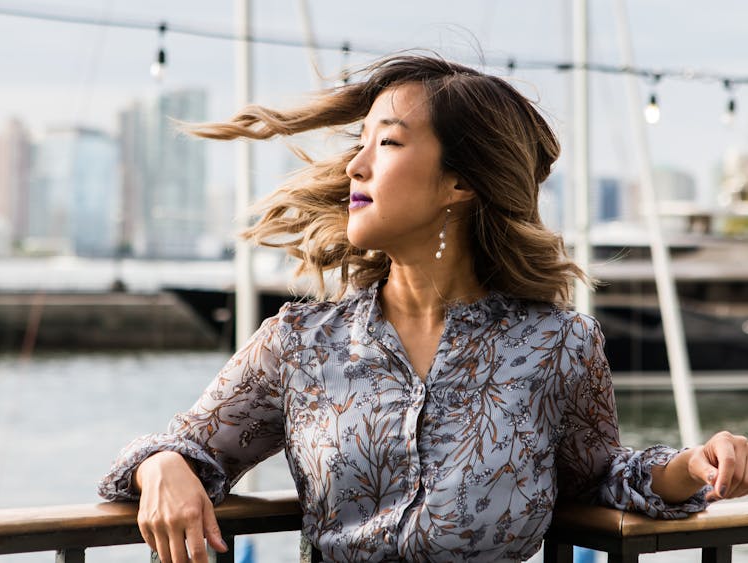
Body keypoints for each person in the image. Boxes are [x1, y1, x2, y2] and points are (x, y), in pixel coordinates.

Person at [99, 53, 748, 563]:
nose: (354, 164)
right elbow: (176, 448)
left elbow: (600, 476)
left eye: (386, 143)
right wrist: (164, 467)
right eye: (362, 142)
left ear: (461, 182)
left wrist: (693, 465)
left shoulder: (558, 345)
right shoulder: (300, 343)